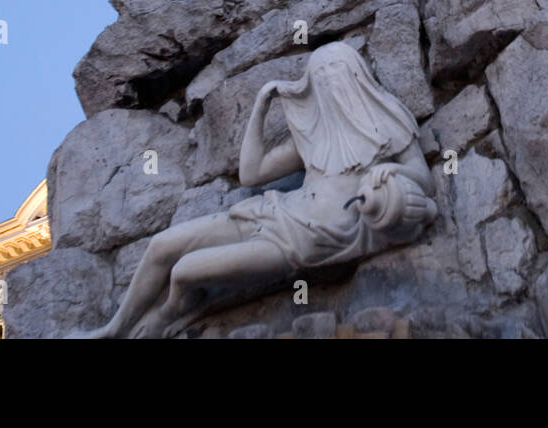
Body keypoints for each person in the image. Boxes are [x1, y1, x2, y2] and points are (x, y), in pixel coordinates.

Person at [78, 43, 435, 339]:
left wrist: (395, 170)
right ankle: (113, 329)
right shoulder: (314, 141)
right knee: (161, 246)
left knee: (185, 272)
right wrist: (262, 104)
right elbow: (251, 174)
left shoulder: (389, 124)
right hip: (276, 211)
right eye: (320, 77)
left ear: (355, 77)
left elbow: (422, 180)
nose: (329, 83)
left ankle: (173, 309)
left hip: (304, 243)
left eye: (336, 73)